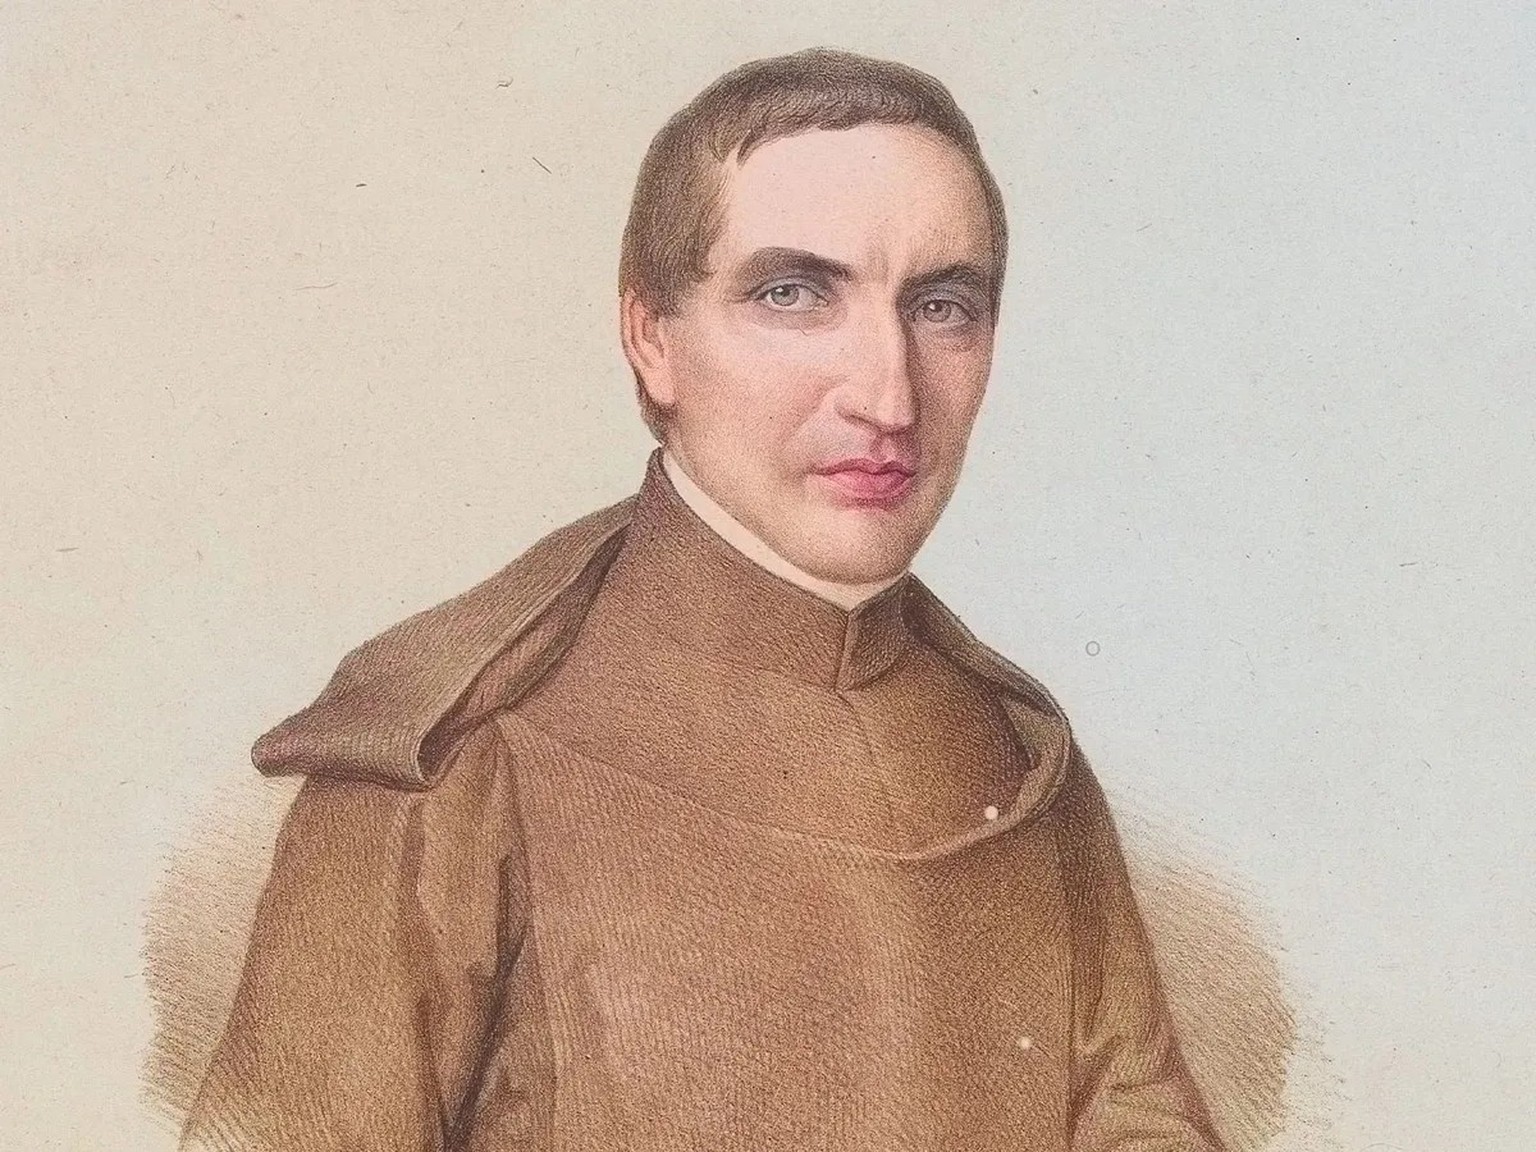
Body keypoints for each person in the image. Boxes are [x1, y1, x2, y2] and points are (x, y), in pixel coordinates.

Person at [182, 47, 1223, 1152]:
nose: (889, 396)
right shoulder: (453, 760)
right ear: (652, 339)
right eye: (794, 295)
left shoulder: (1013, 754)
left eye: (942, 307)